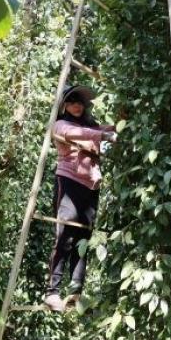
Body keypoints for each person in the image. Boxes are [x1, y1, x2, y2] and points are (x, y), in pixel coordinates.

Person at [44, 85, 117, 311]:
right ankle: (52, 291)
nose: (77, 105)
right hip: (69, 181)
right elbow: (74, 133)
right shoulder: (61, 125)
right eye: (72, 101)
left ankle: (75, 291)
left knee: (83, 239)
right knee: (65, 235)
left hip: (91, 185)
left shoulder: (91, 127)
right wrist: (102, 135)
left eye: (79, 102)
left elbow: (109, 129)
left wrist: (121, 121)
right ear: (64, 105)